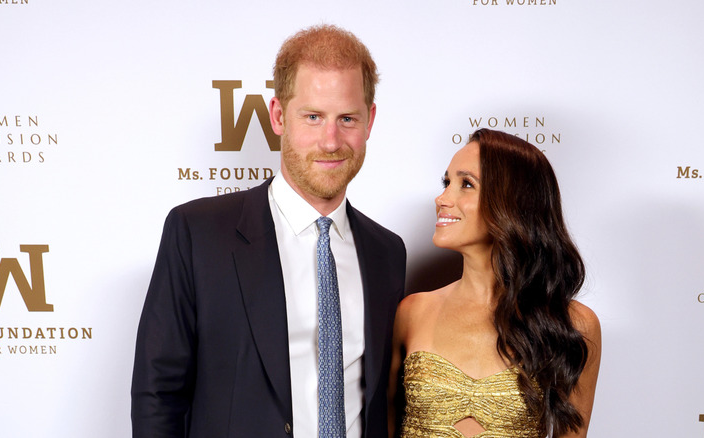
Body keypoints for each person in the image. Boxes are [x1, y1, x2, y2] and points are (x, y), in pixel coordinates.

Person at [131, 25, 406, 438]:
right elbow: (158, 395)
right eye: (312, 117)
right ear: (278, 116)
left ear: (370, 121)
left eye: (347, 118)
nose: (331, 141)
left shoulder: (387, 252)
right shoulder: (199, 234)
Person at [388, 129, 601, 438]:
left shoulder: (575, 325)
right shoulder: (412, 312)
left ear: (512, 202)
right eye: (446, 182)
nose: (442, 198)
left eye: (466, 184)